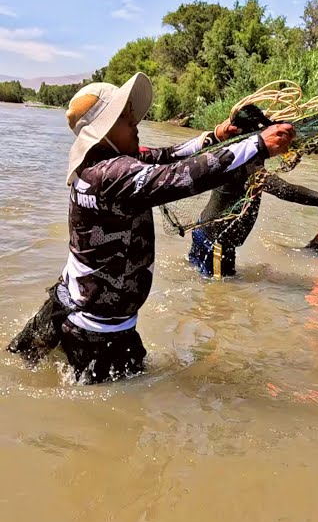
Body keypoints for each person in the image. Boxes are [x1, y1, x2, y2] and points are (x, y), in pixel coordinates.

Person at [3, 72, 297, 383]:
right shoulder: (112, 174)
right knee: (113, 421)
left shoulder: (99, 160)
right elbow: (181, 177)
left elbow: (167, 157)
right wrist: (257, 146)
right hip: (96, 331)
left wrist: (214, 137)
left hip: (68, 302)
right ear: (103, 132)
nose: (135, 125)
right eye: (126, 120)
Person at [185, 103, 318, 278]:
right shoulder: (246, 161)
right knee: (217, 297)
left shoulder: (236, 150)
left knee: (200, 280)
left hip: (207, 231)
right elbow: (282, 189)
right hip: (215, 242)